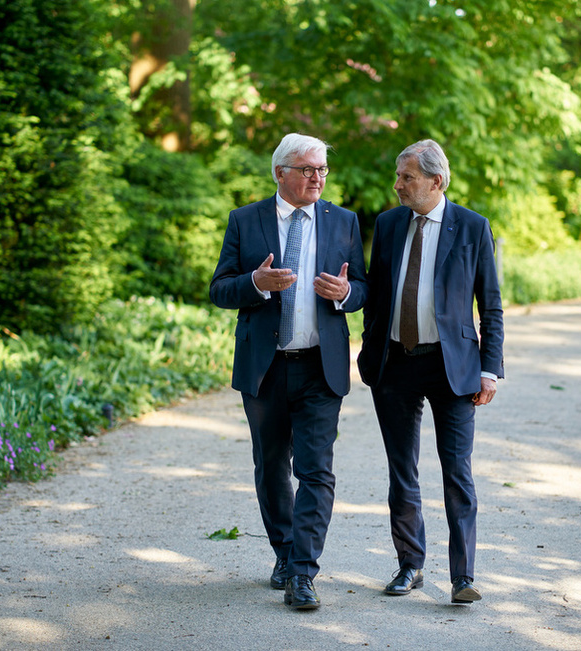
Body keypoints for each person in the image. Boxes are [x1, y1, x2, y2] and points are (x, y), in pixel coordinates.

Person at [210, 133, 368, 610]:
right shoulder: (245, 220)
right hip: (265, 367)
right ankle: (284, 553)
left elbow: (361, 288)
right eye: (307, 169)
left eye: (322, 169)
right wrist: (254, 283)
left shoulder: (343, 220)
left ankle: (303, 572)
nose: (317, 177)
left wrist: (343, 293)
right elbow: (219, 288)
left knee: (316, 471)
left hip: (321, 367)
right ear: (280, 173)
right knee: (272, 467)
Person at [357, 139, 504, 604]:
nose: (398, 185)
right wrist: (369, 350)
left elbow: (492, 306)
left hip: (453, 367)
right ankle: (410, 565)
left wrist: (490, 370)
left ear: (435, 181)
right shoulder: (388, 223)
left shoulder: (473, 227)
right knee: (402, 470)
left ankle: (463, 577)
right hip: (395, 362)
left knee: (456, 471)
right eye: (399, 176)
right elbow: (377, 297)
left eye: (407, 178)